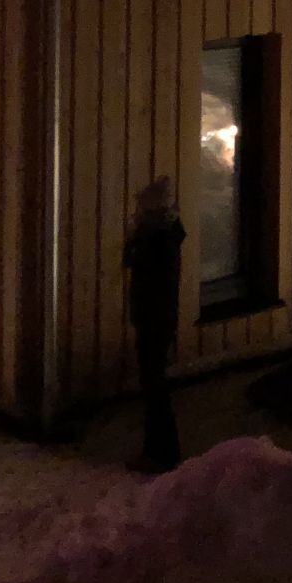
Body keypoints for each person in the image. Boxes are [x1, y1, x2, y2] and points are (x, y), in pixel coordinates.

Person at [124, 176, 186, 471]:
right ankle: (158, 450)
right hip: (155, 316)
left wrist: (135, 239)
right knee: (153, 384)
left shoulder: (158, 238)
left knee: (154, 386)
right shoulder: (163, 234)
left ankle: (162, 452)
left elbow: (140, 268)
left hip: (154, 318)